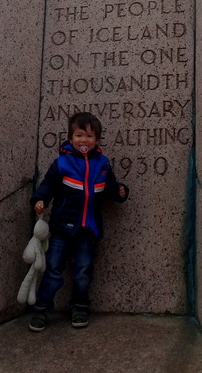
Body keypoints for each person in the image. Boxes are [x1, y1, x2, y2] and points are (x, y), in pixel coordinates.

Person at [29, 112, 128, 331]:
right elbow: (48, 185)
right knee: (53, 268)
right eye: (79, 135)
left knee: (83, 269)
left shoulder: (102, 164)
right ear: (71, 138)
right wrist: (40, 199)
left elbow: (109, 187)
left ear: (97, 140)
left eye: (89, 136)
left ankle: (80, 306)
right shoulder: (62, 163)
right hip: (63, 226)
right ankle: (41, 309)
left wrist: (119, 192)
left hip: (88, 228)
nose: (84, 140)